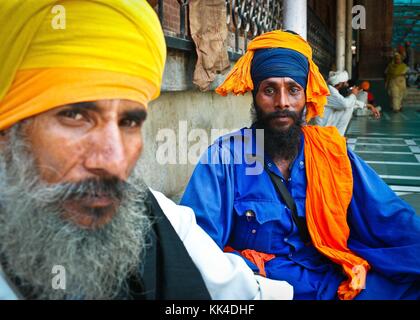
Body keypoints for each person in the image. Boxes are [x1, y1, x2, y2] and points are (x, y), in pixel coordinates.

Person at [0, 0, 293, 300]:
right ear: (7, 133)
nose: (114, 162)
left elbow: (246, 294)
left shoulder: (155, 216)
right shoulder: (224, 157)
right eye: (75, 117)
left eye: (128, 122)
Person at [181, 30, 420, 300]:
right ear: (255, 97)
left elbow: (390, 216)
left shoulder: (330, 152)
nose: (282, 102)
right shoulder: (224, 160)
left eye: (293, 90)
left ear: (306, 96)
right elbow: (196, 248)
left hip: (331, 281)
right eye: (269, 90)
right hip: (268, 289)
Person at [313, 70, 379, 135]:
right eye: (346, 83)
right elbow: (346, 104)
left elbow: (348, 102)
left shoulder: (333, 90)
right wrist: (353, 94)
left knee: (349, 104)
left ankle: (337, 136)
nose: (347, 85)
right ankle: (337, 136)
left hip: (326, 125)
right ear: (340, 83)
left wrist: (369, 106)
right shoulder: (330, 91)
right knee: (348, 107)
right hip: (323, 128)